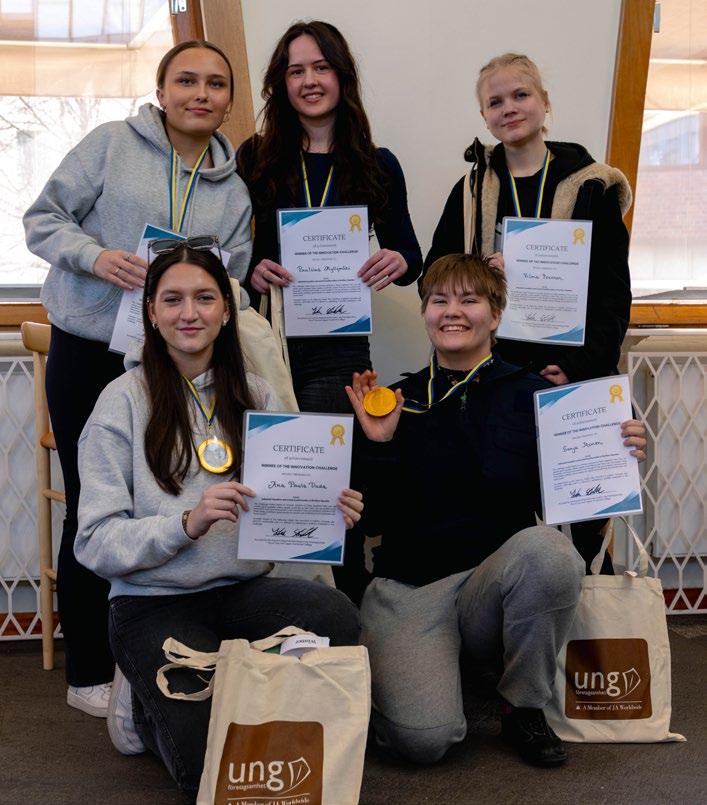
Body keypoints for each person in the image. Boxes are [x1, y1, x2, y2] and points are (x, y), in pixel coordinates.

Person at [74, 243, 361, 795]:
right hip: (152, 602)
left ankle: (233, 684)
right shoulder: (120, 403)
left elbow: (284, 501)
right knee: (215, 766)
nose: (190, 313)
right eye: (173, 300)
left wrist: (326, 510)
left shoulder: (257, 394)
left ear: (227, 311)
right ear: (151, 313)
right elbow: (94, 542)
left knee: (333, 615)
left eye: (205, 298)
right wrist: (186, 523)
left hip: (242, 591)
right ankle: (141, 709)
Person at [23, 40, 253, 716]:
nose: (200, 94)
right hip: (91, 349)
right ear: (161, 91)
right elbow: (42, 220)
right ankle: (91, 669)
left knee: (172, 497)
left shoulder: (234, 190)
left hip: (177, 362)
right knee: (92, 504)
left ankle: (151, 646)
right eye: (186, 80)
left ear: (229, 101)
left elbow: (233, 279)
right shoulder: (109, 146)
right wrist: (95, 258)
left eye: (215, 84)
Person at [346, 254, 646, 767]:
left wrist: (616, 455)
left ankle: (522, 704)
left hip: (493, 586)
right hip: (411, 589)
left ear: (497, 314)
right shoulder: (394, 400)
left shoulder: (535, 397)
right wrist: (379, 445)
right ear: (425, 313)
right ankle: (446, 664)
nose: (452, 311)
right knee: (422, 741)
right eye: (439, 300)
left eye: (469, 299)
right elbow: (371, 521)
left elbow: (572, 510)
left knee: (551, 553)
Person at [423, 52, 633, 566]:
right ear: (484, 116)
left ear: (545, 102)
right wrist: (479, 272)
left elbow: (613, 293)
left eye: (521, 95)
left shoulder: (591, 187)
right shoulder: (471, 191)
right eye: (495, 101)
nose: (509, 108)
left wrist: (578, 364)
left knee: (585, 518)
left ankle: (588, 613)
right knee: (501, 514)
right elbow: (434, 278)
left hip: (573, 373)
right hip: (493, 376)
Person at [237, 19, 423, 415]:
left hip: (340, 345)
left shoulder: (378, 164)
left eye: (321, 68)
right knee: (268, 451)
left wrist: (398, 260)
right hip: (267, 336)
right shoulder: (255, 157)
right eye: (296, 71)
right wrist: (253, 272)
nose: (310, 81)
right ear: (281, 84)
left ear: (342, 76)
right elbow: (233, 248)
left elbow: (411, 258)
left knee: (326, 451)